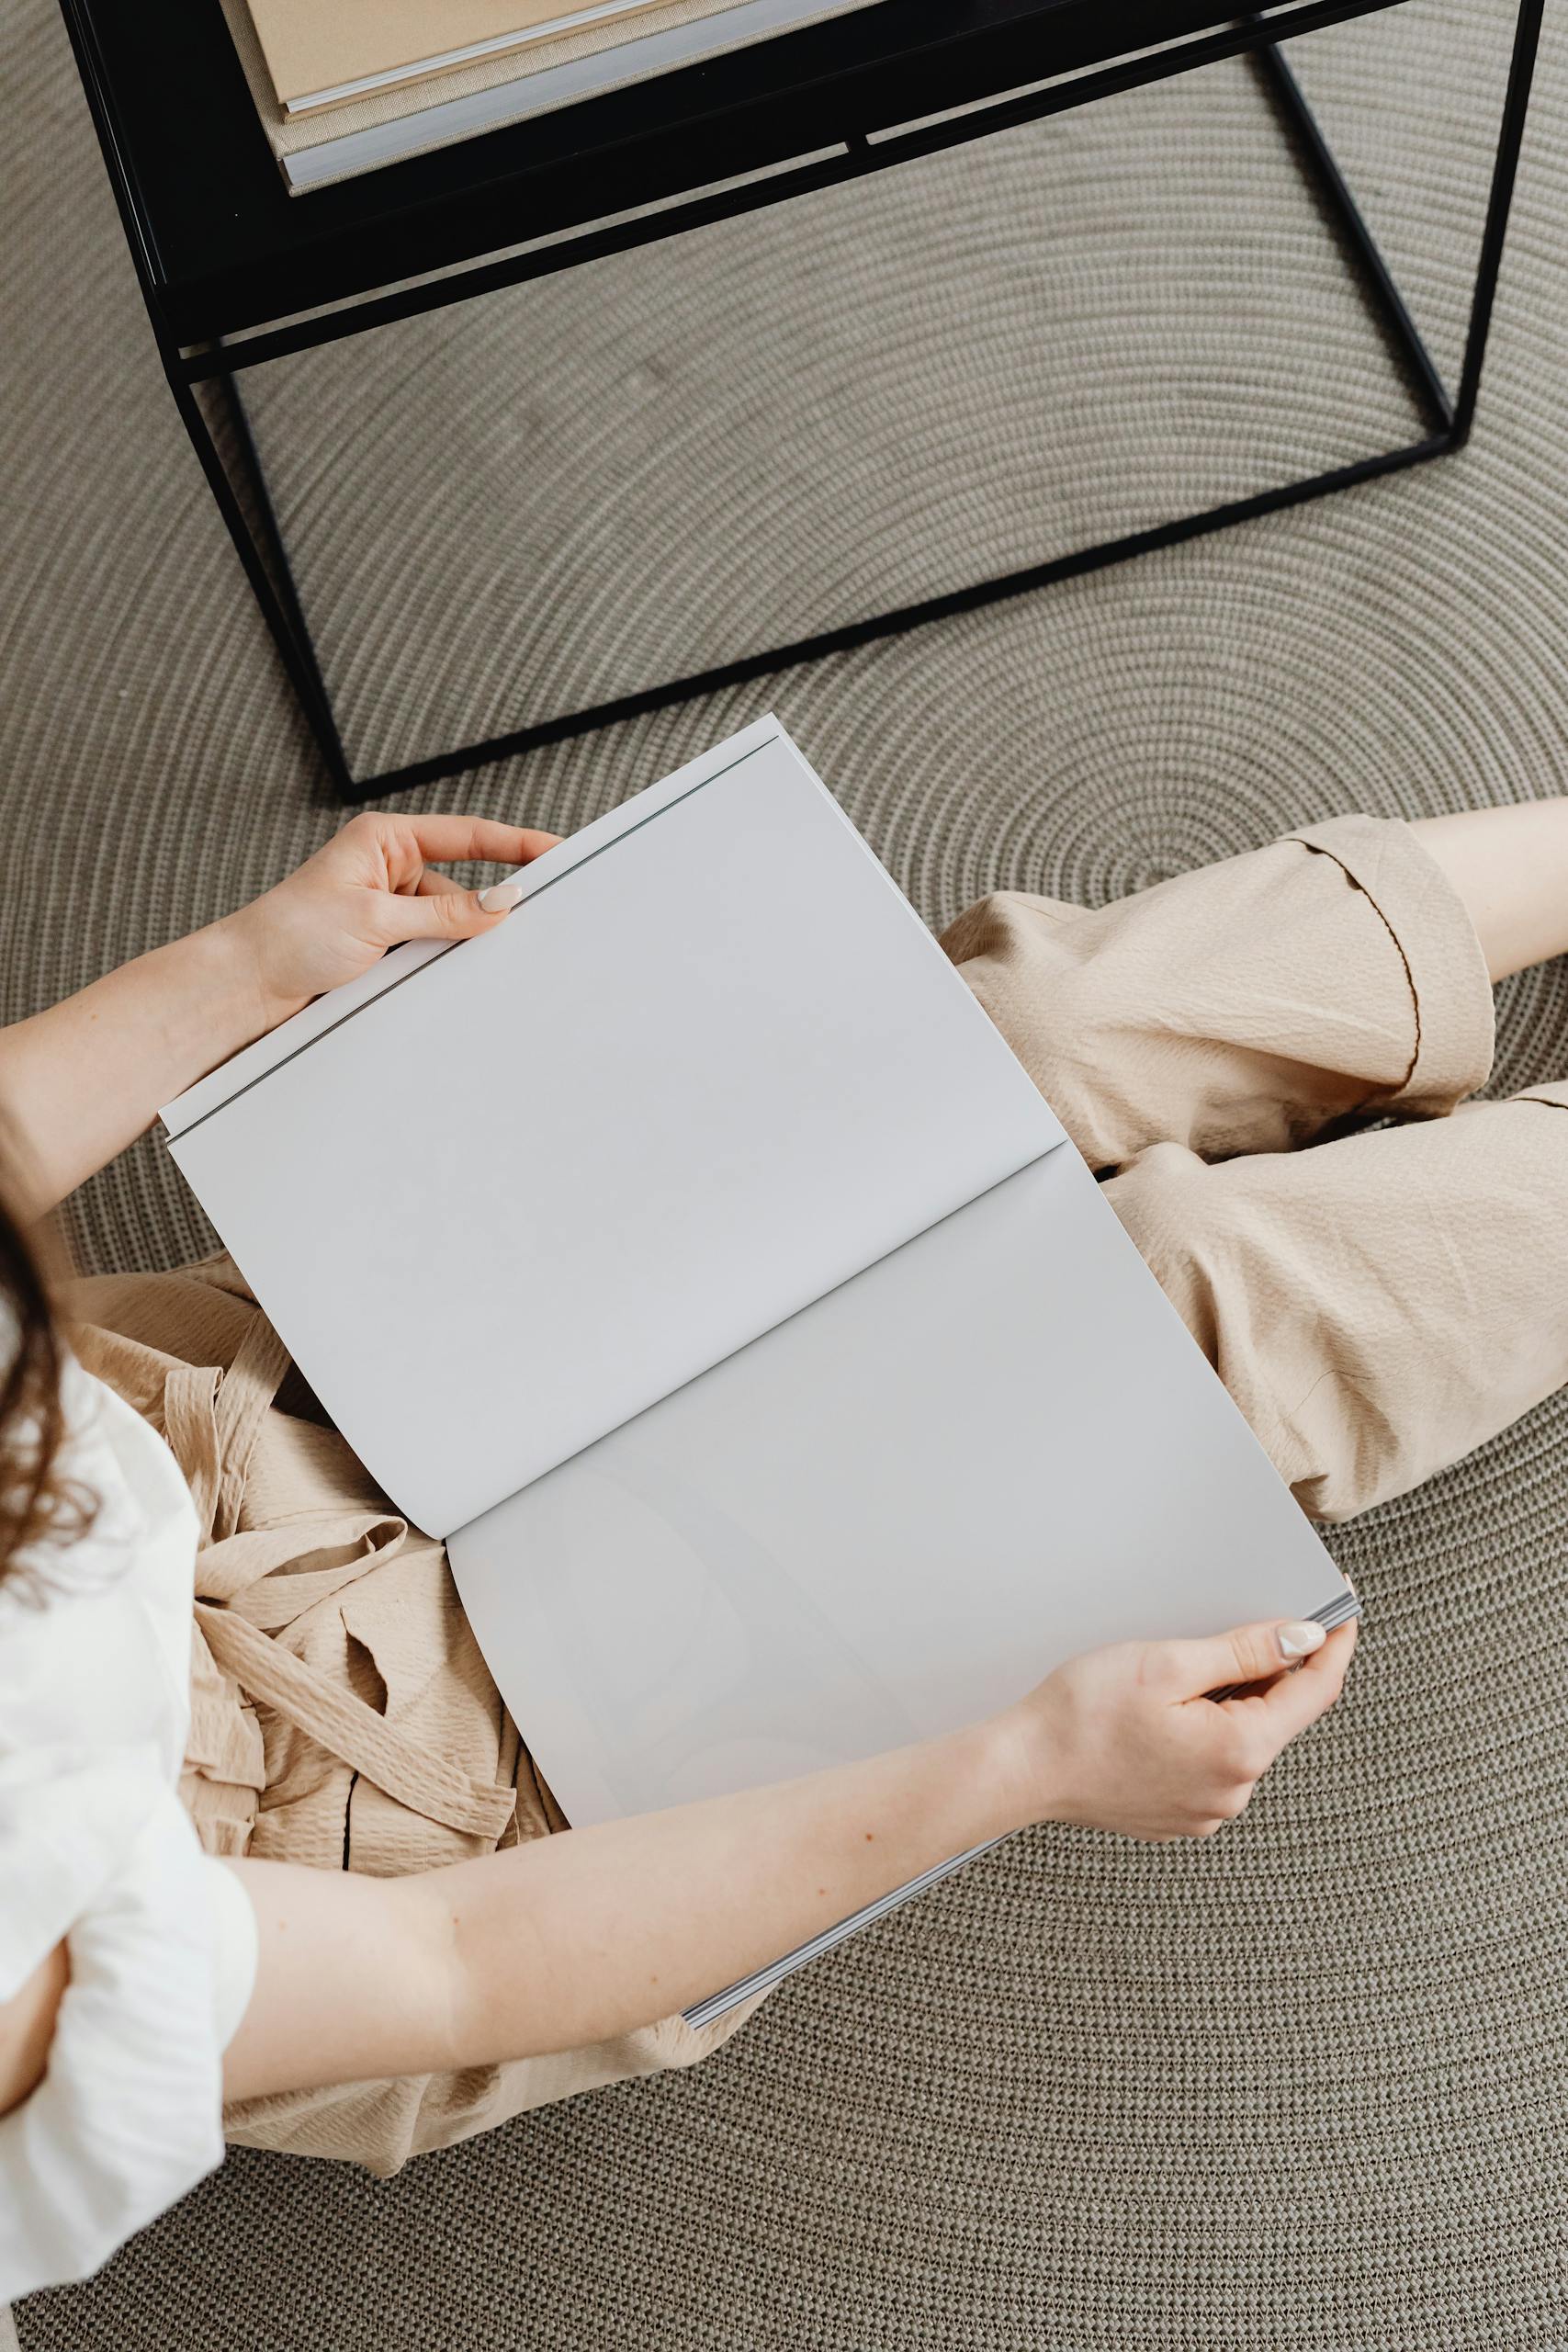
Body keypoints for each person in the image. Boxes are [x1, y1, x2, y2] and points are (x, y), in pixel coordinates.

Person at [5, 786, 1566, 2299]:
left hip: (187, 1410)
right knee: (1173, 1318)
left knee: (986, 1056)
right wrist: (1026, 1766)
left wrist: (250, 965)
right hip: (370, 1832)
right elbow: (451, 1963)